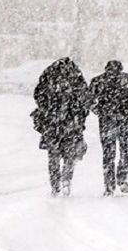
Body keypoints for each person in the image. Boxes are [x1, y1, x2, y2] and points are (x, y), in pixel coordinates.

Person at [32, 57, 91, 197]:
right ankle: (66, 179)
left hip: (52, 123)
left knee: (53, 155)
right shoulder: (76, 77)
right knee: (69, 154)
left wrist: (47, 109)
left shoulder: (48, 76)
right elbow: (85, 99)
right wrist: (79, 114)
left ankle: (54, 184)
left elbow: (38, 95)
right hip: (71, 123)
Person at [89, 60, 128, 196]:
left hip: (107, 122)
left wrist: (97, 110)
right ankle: (121, 178)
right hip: (124, 121)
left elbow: (88, 99)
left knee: (108, 154)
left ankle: (109, 185)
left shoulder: (98, 81)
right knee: (125, 152)